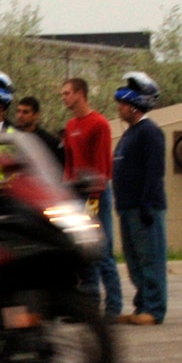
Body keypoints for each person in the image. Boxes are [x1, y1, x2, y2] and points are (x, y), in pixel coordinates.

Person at [60, 77, 121, 320]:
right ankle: (89, 307)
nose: (64, 98)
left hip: (95, 194)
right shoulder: (70, 125)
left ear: (80, 94)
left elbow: (102, 166)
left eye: (67, 93)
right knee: (82, 252)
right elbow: (69, 164)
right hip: (76, 194)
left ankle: (113, 308)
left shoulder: (99, 124)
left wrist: (93, 201)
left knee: (102, 251)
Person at [110, 72, 168, 325]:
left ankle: (154, 310)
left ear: (135, 106)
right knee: (134, 261)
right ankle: (141, 306)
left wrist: (146, 202)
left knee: (150, 259)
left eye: (123, 104)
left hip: (145, 208)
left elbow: (155, 170)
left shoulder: (149, 132)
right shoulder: (129, 134)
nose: (119, 109)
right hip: (127, 207)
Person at [12, 95, 66, 165]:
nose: (20, 115)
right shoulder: (11, 135)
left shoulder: (48, 141)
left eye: (25, 112)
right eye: (18, 111)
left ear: (36, 115)